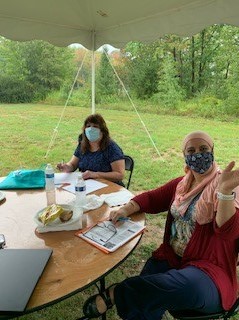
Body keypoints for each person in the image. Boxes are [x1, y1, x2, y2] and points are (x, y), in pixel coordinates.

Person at [83, 131, 239, 320]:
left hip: (209, 270)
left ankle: (116, 293)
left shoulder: (227, 186)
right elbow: (152, 198)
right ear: (185, 156)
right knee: (145, 299)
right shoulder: (181, 185)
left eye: (203, 149)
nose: (198, 154)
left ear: (212, 151)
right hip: (172, 258)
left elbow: (226, 231)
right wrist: (126, 209)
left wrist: (225, 192)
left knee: (166, 287)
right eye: (191, 150)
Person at [57, 113, 125, 185]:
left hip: (109, 187)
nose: (91, 129)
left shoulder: (111, 148)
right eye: (88, 126)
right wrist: (66, 167)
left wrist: (95, 174)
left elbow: (119, 175)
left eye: (95, 126)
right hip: (86, 185)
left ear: (102, 130)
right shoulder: (83, 145)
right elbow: (73, 165)